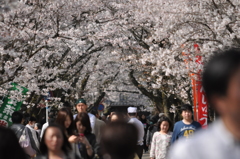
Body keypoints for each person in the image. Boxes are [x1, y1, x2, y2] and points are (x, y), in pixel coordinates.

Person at [168, 48, 240, 159]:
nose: (187, 114)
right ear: (219, 100)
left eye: (188, 111)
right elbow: (174, 140)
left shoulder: (197, 125)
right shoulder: (192, 151)